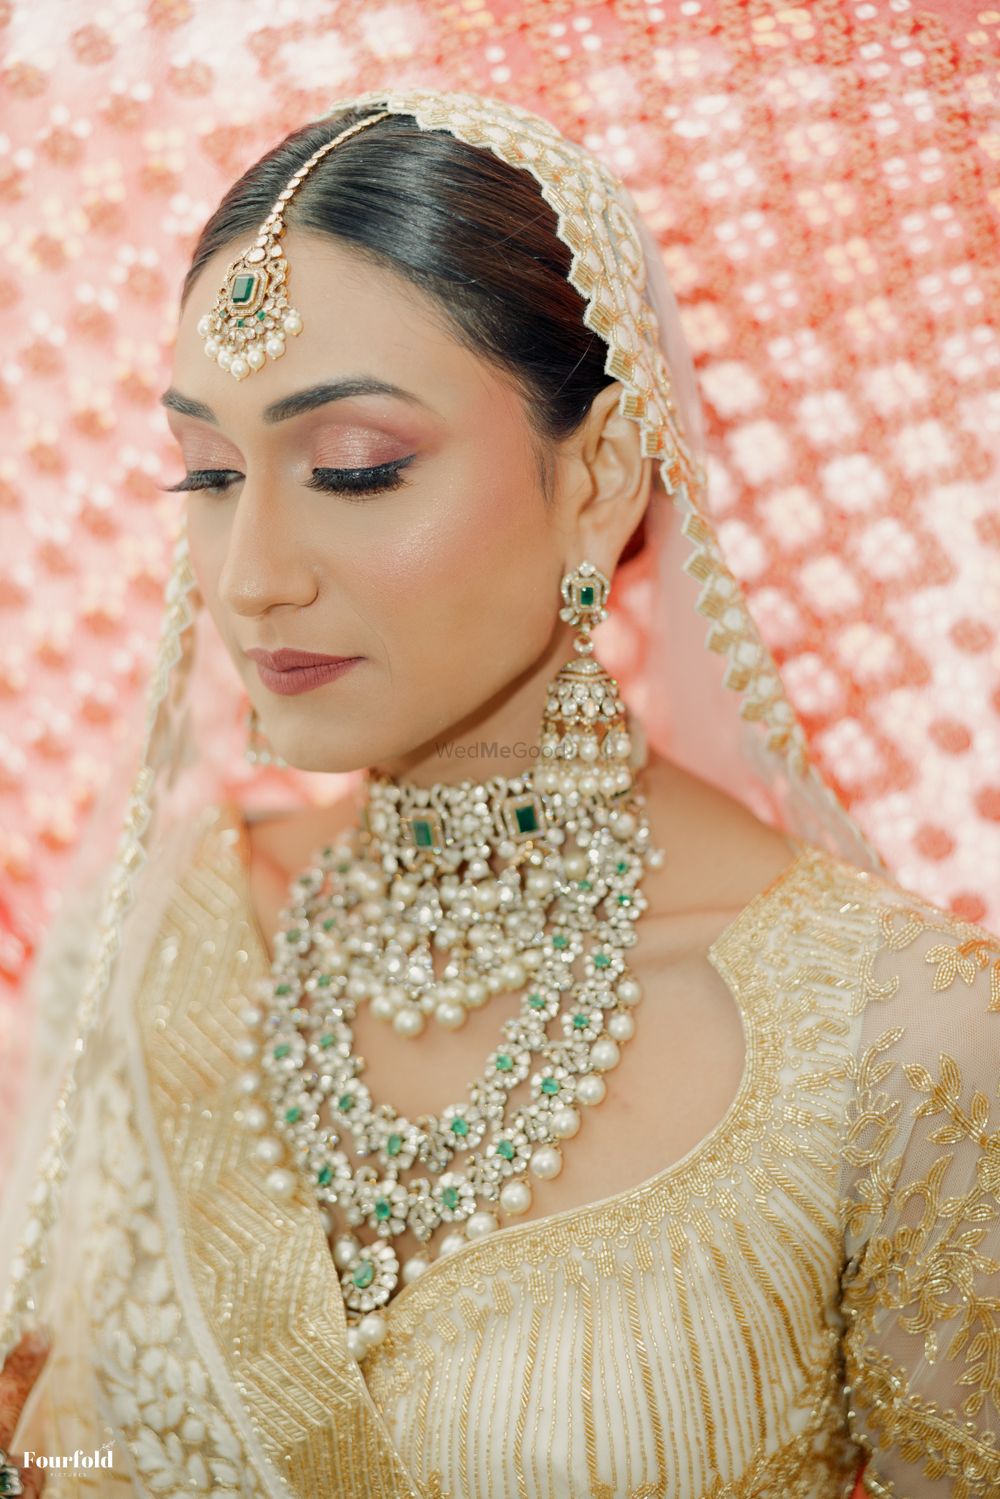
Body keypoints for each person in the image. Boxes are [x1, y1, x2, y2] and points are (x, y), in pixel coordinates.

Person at [0, 87, 997, 1499]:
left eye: (355, 469)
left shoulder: (901, 1037)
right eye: (210, 474)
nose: (247, 573)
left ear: (595, 479)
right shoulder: (151, 935)